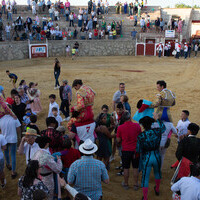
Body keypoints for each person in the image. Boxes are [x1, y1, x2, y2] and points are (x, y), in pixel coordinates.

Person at [136, 114, 166, 200]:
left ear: (143, 125)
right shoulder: (157, 131)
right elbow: (163, 128)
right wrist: (157, 119)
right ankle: (157, 189)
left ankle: (145, 198)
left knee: (145, 177)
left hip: (147, 157)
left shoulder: (141, 136)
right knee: (157, 173)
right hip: (157, 155)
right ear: (151, 124)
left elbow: (138, 149)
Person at [117, 111, 141, 190]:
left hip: (125, 150)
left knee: (126, 168)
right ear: (130, 118)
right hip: (135, 151)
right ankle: (136, 184)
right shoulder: (137, 126)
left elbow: (118, 140)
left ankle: (126, 184)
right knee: (135, 168)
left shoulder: (120, 127)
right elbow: (140, 137)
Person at [0, 114, 21, 179]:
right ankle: (13, 172)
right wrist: (19, 137)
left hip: (4, 138)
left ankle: (8, 164)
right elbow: (18, 128)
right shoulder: (14, 118)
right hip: (13, 139)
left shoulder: (1, 118)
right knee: (13, 154)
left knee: (6, 152)